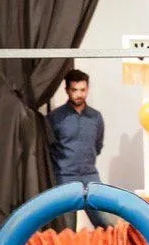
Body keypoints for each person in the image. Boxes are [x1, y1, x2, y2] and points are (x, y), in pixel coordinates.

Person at [47, 70, 113, 228]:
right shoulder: (55, 118)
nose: (79, 94)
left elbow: (97, 145)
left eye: (83, 90)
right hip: (64, 178)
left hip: (90, 176)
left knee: (107, 225)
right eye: (75, 90)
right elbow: (50, 148)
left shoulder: (95, 117)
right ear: (67, 90)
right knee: (67, 230)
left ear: (88, 89)